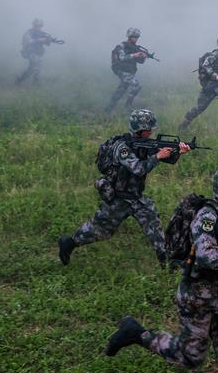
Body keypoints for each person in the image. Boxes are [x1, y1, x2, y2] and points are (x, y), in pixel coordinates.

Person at [104, 165, 218, 373]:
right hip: (197, 299)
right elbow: (206, 254)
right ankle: (137, 334)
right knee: (190, 356)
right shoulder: (207, 217)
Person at [58, 109, 190, 267]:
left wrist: (178, 152)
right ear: (139, 129)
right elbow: (139, 169)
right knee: (100, 230)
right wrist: (157, 157)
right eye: (148, 129)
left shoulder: (144, 143)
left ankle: (166, 260)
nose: (151, 132)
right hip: (119, 198)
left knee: (153, 224)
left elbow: (165, 157)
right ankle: (69, 243)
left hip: (136, 197)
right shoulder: (123, 148)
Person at [180, 36, 218, 130]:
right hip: (210, 87)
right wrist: (214, 75)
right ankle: (184, 125)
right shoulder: (216, 54)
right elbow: (205, 65)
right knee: (200, 108)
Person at [106, 28, 148, 112]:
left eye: (137, 37)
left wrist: (143, 57)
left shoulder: (135, 48)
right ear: (129, 36)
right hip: (121, 69)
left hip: (129, 71)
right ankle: (127, 106)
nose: (136, 39)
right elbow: (122, 57)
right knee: (136, 85)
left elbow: (140, 62)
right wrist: (134, 55)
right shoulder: (122, 46)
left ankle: (109, 108)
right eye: (134, 37)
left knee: (121, 90)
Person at [16, 18, 61, 85]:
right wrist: (39, 40)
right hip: (30, 52)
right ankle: (35, 83)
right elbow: (29, 41)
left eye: (40, 25)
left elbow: (47, 43)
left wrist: (50, 40)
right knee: (36, 66)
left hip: (38, 53)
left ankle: (20, 80)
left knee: (32, 69)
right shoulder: (29, 32)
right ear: (33, 25)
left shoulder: (42, 33)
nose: (38, 27)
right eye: (36, 25)